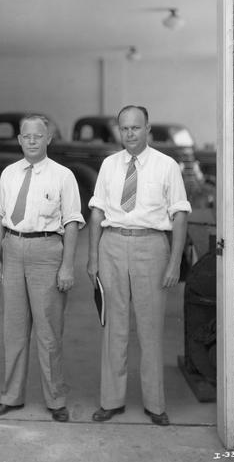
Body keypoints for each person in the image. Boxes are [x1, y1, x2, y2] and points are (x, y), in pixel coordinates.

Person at [86, 105, 191, 426]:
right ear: (119, 131)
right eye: (124, 128)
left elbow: (180, 214)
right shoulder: (108, 165)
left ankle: (155, 404)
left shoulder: (167, 166)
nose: (130, 134)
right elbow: (97, 212)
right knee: (114, 328)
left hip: (151, 246)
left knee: (150, 328)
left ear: (148, 130)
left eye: (136, 128)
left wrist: (174, 262)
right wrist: (92, 258)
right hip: (113, 245)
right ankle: (111, 400)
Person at [0, 114, 85, 423]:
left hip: (46, 252)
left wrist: (67, 266)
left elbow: (71, 223)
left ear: (48, 139)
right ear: (19, 139)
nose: (31, 141)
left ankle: (55, 399)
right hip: (13, 249)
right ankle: (11, 396)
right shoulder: (9, 174)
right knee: (14, 331)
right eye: (26, 136)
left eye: (38, 136)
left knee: (48, 332)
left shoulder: (63, 176)